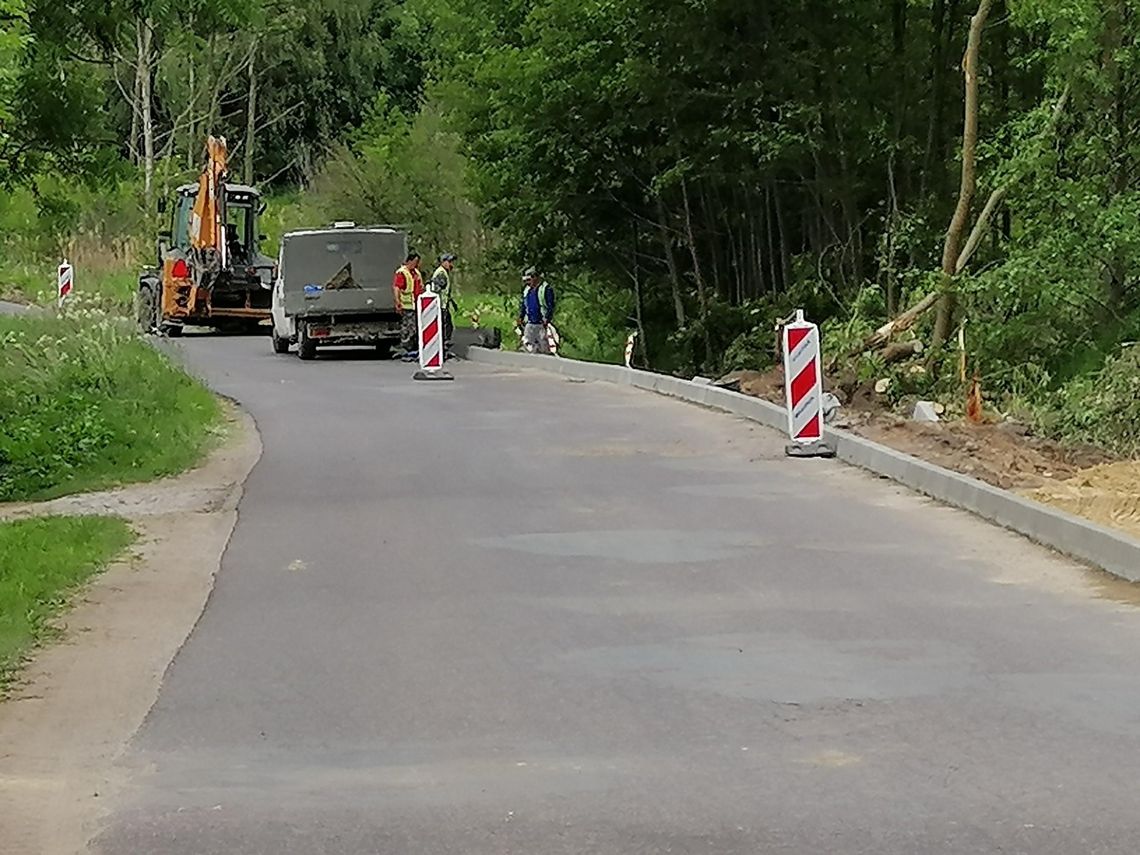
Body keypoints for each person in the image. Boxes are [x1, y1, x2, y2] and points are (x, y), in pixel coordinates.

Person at [393, 251, 424, 358]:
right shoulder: (402, 272)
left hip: (417, 304)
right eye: (415, 262)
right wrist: (398, 302)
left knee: (416, 327)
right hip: (407, 305)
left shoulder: (416, 273)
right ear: (409, 261)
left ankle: (413, 347)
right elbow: (397, 287)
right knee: (408, 327)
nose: (416, 264)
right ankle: (406, 347)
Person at [517, 266, 555, 354]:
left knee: (544, 348)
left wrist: (547, 318)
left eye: (529, 280)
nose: (527, 283)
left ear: (535, 278)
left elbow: (550, 305)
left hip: (541, 323)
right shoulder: (527, 291)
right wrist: (521, 317)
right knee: (527, 346)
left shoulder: (545, 289)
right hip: (529, 323)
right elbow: (524, 305)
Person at [429, 253, 457, 358]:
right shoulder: (441, 273)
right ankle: (442, 349)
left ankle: (444, 348)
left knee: (448, 326)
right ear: (443, 262)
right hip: (440, 306)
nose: (451, 264)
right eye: (449, 262)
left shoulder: (444, 272)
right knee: (445, 327)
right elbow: (436, 290)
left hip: (443, 305)